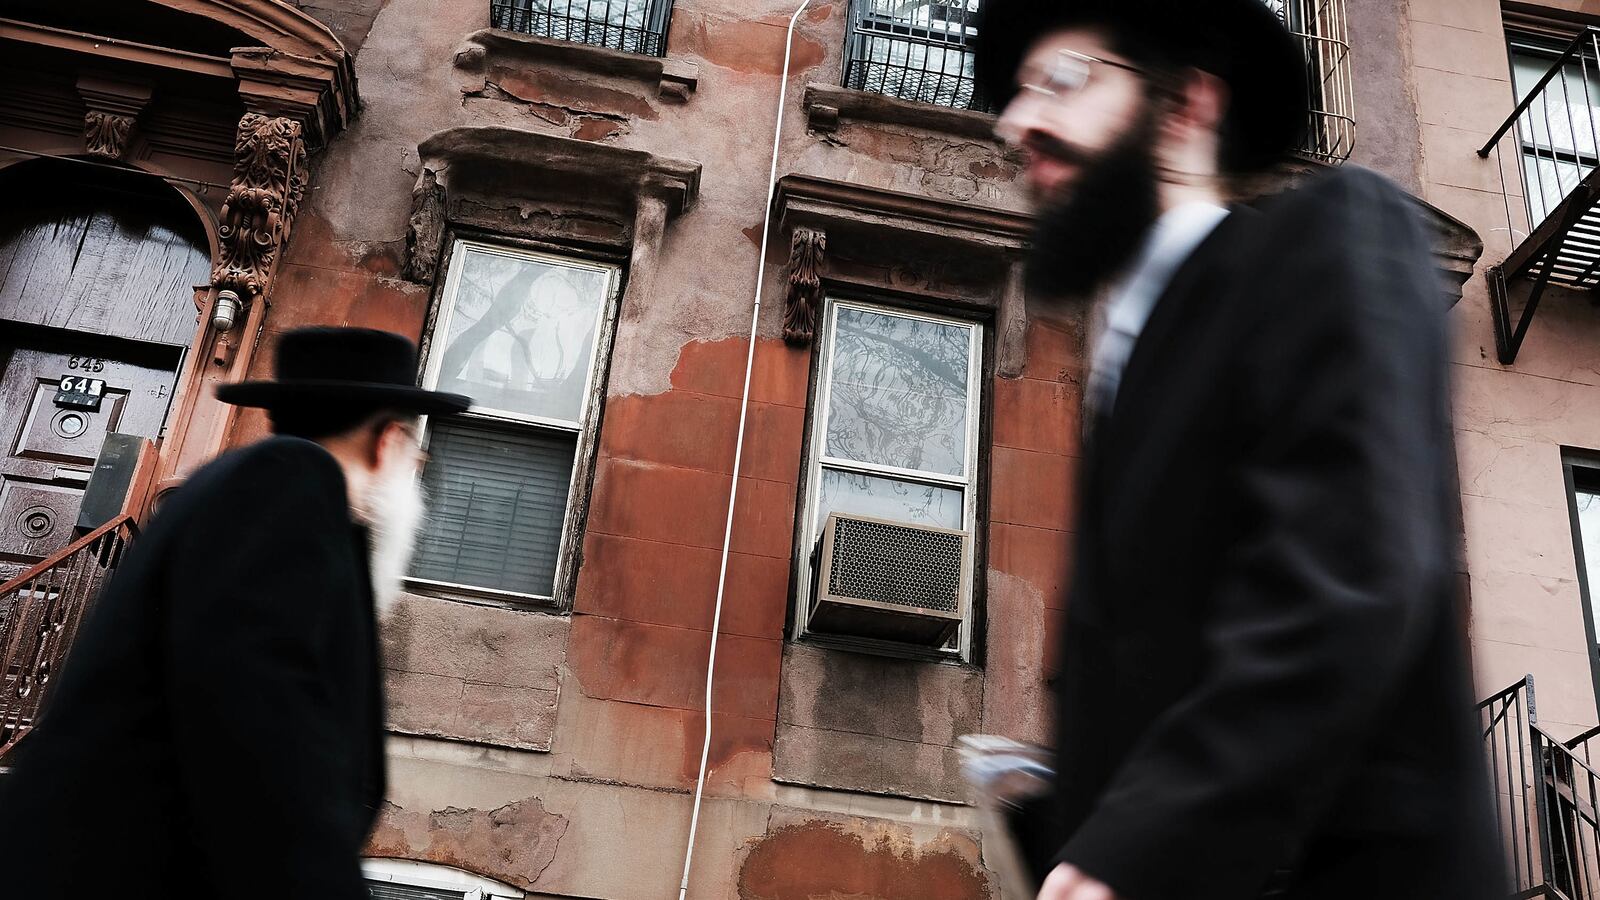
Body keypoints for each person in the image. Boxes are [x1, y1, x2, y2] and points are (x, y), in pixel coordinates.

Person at [971, 2, 1502, 899]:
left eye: (1061, 82)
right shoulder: (1123, 375)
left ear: (1185, 106)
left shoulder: (1331, 235)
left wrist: (1131, 845)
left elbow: (1347, 575)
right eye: (1017, 94)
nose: (1016, 123)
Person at [0, 327, 469, 898]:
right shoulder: (286, 484)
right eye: (414, 453)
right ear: (387, 441)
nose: (415, 470)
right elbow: (259, 735)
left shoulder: (266, 498)